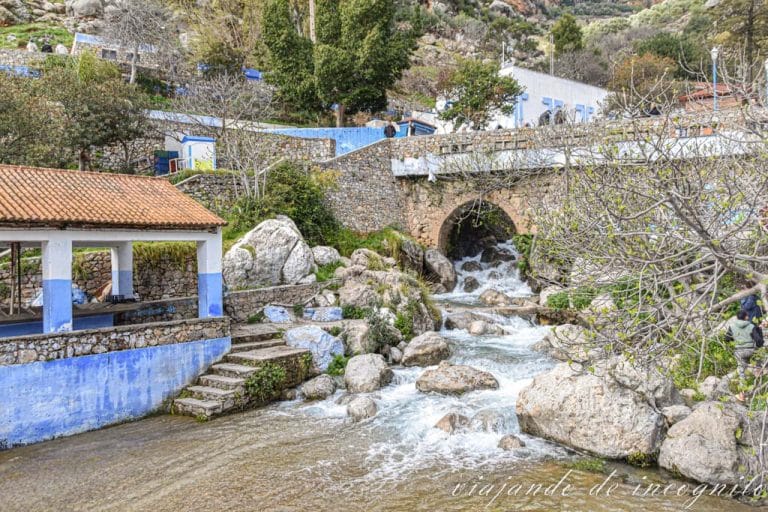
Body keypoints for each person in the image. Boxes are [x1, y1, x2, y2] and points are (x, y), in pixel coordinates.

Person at [725, 309, 764, 391]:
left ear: (737, 317)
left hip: (739, 351)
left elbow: (727, 339)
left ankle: (742, 392)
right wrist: (760, 337)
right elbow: (758, 341)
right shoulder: (751, 326)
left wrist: (736, 341)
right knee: (759, 356)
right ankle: (758, 370)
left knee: (741, 371)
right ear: (746, 317)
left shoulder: (731, 326)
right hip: (751, 350)